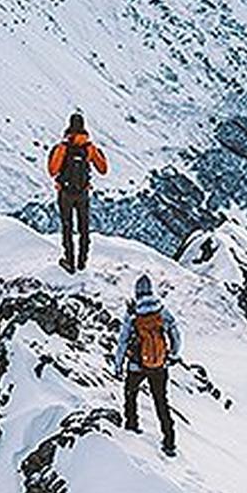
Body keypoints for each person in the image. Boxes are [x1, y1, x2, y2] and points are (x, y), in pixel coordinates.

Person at [114, 273, 181, 457]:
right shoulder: (162, 311)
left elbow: (123, 341)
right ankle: (169, 441)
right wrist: (173, 355)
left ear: (136, 292)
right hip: (159, 366)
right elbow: (176, 335)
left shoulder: (133, 314)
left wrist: (118, 365)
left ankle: (132, 427)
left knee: (130, 395)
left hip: (136, 366)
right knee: (161, 402)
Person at [46, 112, 107, 270]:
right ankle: (82, 262)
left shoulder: (63, 147)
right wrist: (96, 152)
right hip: (83, 193)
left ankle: (69, 261)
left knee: (67, 227)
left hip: (65, 193)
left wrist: (60, 150)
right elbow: (103, 169)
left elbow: (53, 171)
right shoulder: (89, 147)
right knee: (84, 228)